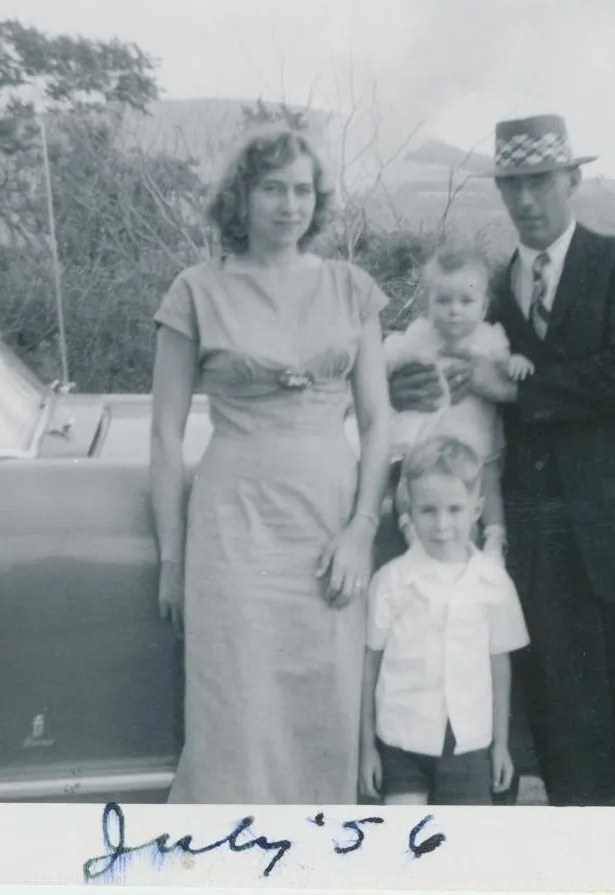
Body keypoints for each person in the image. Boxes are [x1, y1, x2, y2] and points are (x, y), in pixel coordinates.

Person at [388, 114, 615, 807]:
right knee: (574, 765)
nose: (526, 200)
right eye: (512, 185)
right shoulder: (490, 295)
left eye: (540, 181)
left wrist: (515, 390)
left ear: (573, 180)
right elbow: (446, 380)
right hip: (549, 567)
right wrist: (406, 387)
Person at [150, 125, 392, 804]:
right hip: (235, 533)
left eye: (303, 191)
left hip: (328, 528)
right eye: (273, 189)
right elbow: (166, 435)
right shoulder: (195, 291)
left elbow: (377, 422)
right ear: (242, 197)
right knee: (236, 717)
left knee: (328, 708)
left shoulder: (351, 288)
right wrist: (173, 559)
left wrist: (361, 531)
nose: (290, 206)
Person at [359, 435, 530, 805]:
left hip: (468, 744)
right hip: (401, 740)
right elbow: (370, 664)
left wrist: (500, 745)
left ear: (477, 509)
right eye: (428, 510)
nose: (441, 525)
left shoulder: (493, 582)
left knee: (462, 852)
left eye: (454, 509)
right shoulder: (391, 580)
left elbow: (500, 668)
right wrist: (367, 749)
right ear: (409, 511)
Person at [381, 243, 533, 560]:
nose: (454, 311)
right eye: (443, 301)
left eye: (466, 301)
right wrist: (383, 378)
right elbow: (389, 356)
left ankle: (494, 537)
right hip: (431, 430)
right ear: (428, 304)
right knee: (413, 473)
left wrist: (514, 364)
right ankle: (409, 526)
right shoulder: (420, 335)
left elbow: (504, 361)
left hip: (475, 430)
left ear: (483, 306)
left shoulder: (488, 337)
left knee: (487, 479)